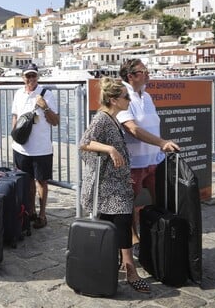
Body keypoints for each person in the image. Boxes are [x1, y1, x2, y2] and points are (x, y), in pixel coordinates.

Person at [79, 77, 151, 293]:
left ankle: (113, 265)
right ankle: (130, 270)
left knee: (115, 225)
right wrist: (110, 150)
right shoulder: (101, 118)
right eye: (125, 97)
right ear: (113, 99)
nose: (129, 100)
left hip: (115, 184)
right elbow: (84, 143)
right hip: (107, 188)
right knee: (122, 223)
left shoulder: (113, 119)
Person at [116, 59, 179, 250]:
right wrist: (162, 143)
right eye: (144, 71)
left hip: (154, 161)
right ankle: (133, 240)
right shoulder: (122, 95)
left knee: (160, 200)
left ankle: (158, 236)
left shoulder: (147, 96)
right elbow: (132, 129)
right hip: (133, 164)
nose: (148, 73)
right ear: (131, 76)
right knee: (127, 204)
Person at [11, 63, 59, 229]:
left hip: (41, 148)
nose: (31, 79)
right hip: (21, 148)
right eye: (28, 76)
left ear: (38, 77)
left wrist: (45, 107)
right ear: (22, 77)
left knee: (41, 182)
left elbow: (56, 122)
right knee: (27, 182)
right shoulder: (18, 94)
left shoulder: (47, 94)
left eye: (34, 76)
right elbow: (15, 117)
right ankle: (30, 211)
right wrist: (14, 136)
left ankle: (42, 214)